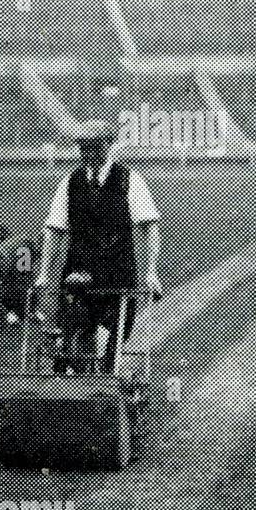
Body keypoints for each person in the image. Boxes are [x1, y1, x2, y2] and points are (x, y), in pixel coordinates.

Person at [35, 119, 162, 368]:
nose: (88, 153)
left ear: (108, 145)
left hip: (117, 271)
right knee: (74, 337)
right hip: (78, 270)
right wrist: (43, 274)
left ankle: (106, 382)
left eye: (94, 147)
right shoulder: (70, 183)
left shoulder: (129, 181)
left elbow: (150, 225)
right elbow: (54, 228)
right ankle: (80, 383)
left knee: (115, 340)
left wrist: (151, 272)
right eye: (83, 147)